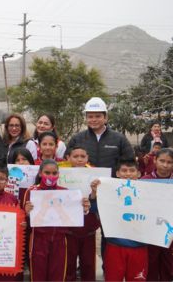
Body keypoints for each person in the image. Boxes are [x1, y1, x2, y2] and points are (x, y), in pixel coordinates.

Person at [23, 159, 90, 281]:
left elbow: (73, 216)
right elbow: (24, 219)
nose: (51, 176)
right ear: (40, 173)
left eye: (54, 173)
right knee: (38, 275)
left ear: (59, 174)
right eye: (47, 172)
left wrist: (84, 208)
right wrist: (26, 213)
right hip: (38, 240)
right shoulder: (32, 191)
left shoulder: (65, 192)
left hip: (60, 240)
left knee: (57, 275)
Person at [90, 160, 148, 281]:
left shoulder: (148, 192)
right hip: (114, 246)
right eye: (124, 170)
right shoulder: (108, 191)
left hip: (139, 247)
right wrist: (95, 193)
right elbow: (94, 209)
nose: (128, 174)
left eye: (132, 170)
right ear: (117, 173)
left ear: (138, 173)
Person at [60, 147, 100, 282]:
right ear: (68, 158)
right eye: (75, 156)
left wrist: (94, 193)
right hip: (69, 229)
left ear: (87, 158)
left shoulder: (96, 176)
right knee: (68, 264)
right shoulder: (61, 175)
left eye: (83, 156)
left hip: (88, 228)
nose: (79, 159)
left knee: (88, 264)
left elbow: (97, 207)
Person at [68, 97, 134, 176]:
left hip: (111, 185)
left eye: (98, 116)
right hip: (84, 184)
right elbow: (67, 162)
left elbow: (130, 163)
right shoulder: (77, 139)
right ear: (86, 118)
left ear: (105, 118)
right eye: (90, 116)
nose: (94, 119)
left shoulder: (119, 139)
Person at [141, 148, 173, 281]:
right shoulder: (144, 181)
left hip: (170, 232)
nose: (165, 165)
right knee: (151, 264)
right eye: (162, 161)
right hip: (151, 231)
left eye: (170, 162)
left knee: (169, 266)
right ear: (155, 160)